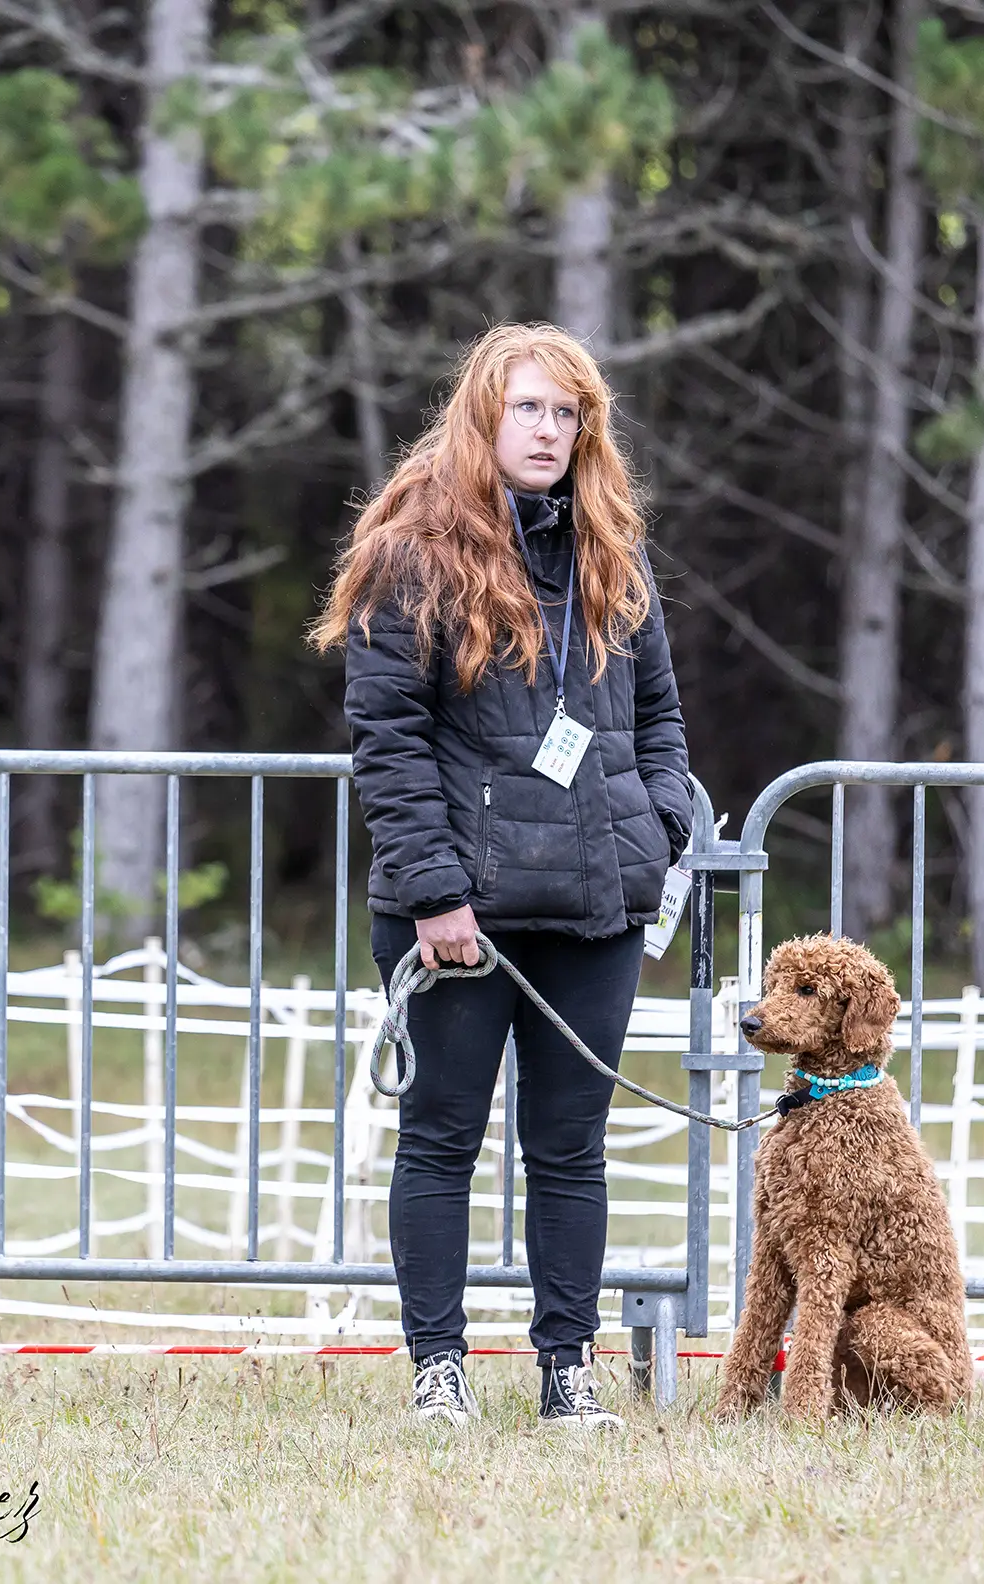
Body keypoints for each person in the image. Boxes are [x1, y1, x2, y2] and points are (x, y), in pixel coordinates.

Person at [312, 323, 692, 1429]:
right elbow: (386, 742)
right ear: (483, 417)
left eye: (565, 413)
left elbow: (660, 718)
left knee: (571, 1148)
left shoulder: (611, 553)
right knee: (440, 1137)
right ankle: (439, 1372)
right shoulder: (411, 553)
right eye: (527, 409)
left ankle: (566, 1377)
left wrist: (656, 827)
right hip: (456, 916)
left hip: (594, 908)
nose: (547, 431)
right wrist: (433, 896)